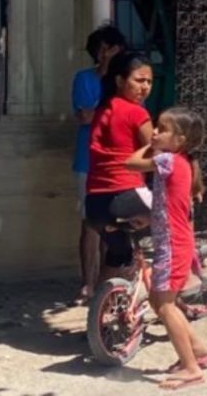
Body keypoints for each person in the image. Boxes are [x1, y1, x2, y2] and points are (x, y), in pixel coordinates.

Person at [126, 107, 207, 391]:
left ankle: (191, 368)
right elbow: (171, 205)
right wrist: (150, 219)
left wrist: (150, 145)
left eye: (162, 129)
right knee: (159, 300)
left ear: (180, 140)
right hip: (174, 241)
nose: (155, 132)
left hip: (173, 245)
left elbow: (131, 163)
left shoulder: (168, 159)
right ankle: (199, 351)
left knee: (164, 305)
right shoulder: (181, 162)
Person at [86, 51, 155, 281]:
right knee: (181, 216)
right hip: (126, 196)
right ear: (119, 80)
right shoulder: (136, 112)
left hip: (95, 204)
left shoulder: (101, 110)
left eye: (149, 82)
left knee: (119, 254)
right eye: (139, 80)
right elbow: (157, 153)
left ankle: (102, 299)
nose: (145, 87)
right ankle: (185, 280)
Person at [71, 24, 126, 305]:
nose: (106, 54)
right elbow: (84, 116)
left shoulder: (126, 81)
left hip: (119, 162)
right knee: (90, 223)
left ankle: (107, 285)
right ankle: (87, 284)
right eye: (102, 50)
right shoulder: (84, 79)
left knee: (113, 224)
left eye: (111, 49)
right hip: (88, 161)